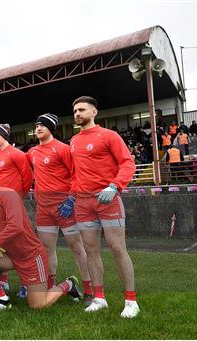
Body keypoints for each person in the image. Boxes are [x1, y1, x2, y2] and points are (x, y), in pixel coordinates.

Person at [0, 167, 82, 314]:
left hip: (31, 256)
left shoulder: (8, 195)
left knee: (38, 305)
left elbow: (16, 227)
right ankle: (2, 300)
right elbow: (0, 230)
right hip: (11, 256)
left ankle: (69, 284)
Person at [70, 96, 139, 318]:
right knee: (90, 249)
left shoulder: (109, 135)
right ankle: (99, 298)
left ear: (94, 112)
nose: (77, 113)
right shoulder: (73, 140)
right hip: (83, 201)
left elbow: (128, 163)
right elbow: (75, 173)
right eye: (74, 111)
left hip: (106, 199)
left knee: (117, 248)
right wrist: (73, 195)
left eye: (81, 109)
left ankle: (131, 301)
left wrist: (115, 186)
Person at [27, 113, 92, 305]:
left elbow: (77, 175)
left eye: (43, 125)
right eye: (36, 125)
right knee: (47, 249)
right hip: (44, 208)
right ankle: (51, 286)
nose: (38, 128)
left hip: (65, 205)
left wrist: (71, 199)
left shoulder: (62, 149)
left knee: (77, 247)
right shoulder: (32, 152)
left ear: (51, 128)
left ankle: (89, 290)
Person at [0, 123, 33, 290]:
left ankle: (25, 282)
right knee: (1, 242)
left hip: (12, 204)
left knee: (20, 243)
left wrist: (18, 197)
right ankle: (4, 280)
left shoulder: (17, 154)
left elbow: (27, 177)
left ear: (4, 135)